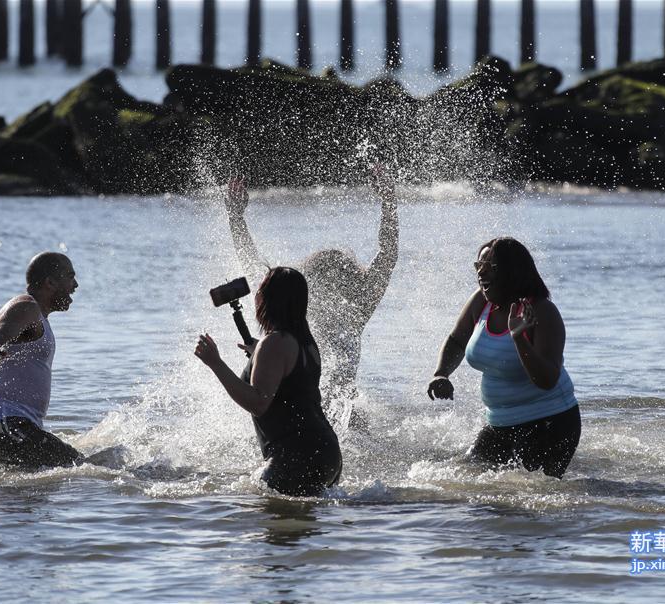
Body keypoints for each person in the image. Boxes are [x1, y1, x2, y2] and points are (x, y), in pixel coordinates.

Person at [222, 169, 398, 421]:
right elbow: (388, 254)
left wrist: (236, 218)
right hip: (333, 413)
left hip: (318, 412)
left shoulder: (348, 310)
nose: (333, 283)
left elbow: (253, 264)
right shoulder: (349, 311)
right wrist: (388, 202)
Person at [427, 238, 581, 479]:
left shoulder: (542, 311)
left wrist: (519, 338)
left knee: (529, 495)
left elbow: (547, 379)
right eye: (479, 265)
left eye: (491, 267)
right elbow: (457, 340)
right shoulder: (481, 301)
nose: (482, 273)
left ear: (513, 271)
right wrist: (441, 373)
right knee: (464, 478)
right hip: (500, 424)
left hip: (550, 422)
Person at [194, 267, 342, 496]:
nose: (256, 296)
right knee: (303, 525)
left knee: (256, 515)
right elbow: (293, 385)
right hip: (327, 454)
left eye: (261, 290)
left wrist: (216, 363)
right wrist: (258, 353)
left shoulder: (274, 343)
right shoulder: (306, 342)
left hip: (296, 456)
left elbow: (258, 402)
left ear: (270, 300)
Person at [0, 251, 84, 470]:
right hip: (4, 422)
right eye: (70, 277)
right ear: (50, 282)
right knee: (80, 468)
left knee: (37, 489)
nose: (76, 285)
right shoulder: (26, 306)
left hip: (14, 424)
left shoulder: (38, 317)